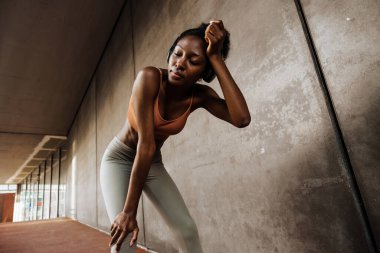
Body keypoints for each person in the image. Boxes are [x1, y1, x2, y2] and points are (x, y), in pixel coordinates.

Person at [100, 19, 250, 253]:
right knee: (125, 239)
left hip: (151, 163)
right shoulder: (149, 78)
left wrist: (217, 59)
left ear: (205, 71)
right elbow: (146, 145)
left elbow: (241, 119)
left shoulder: (200, 96)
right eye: (177, 54)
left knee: (187, 230)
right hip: (119, 159)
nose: (179, 64)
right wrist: (129, 212)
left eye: (193, 61)